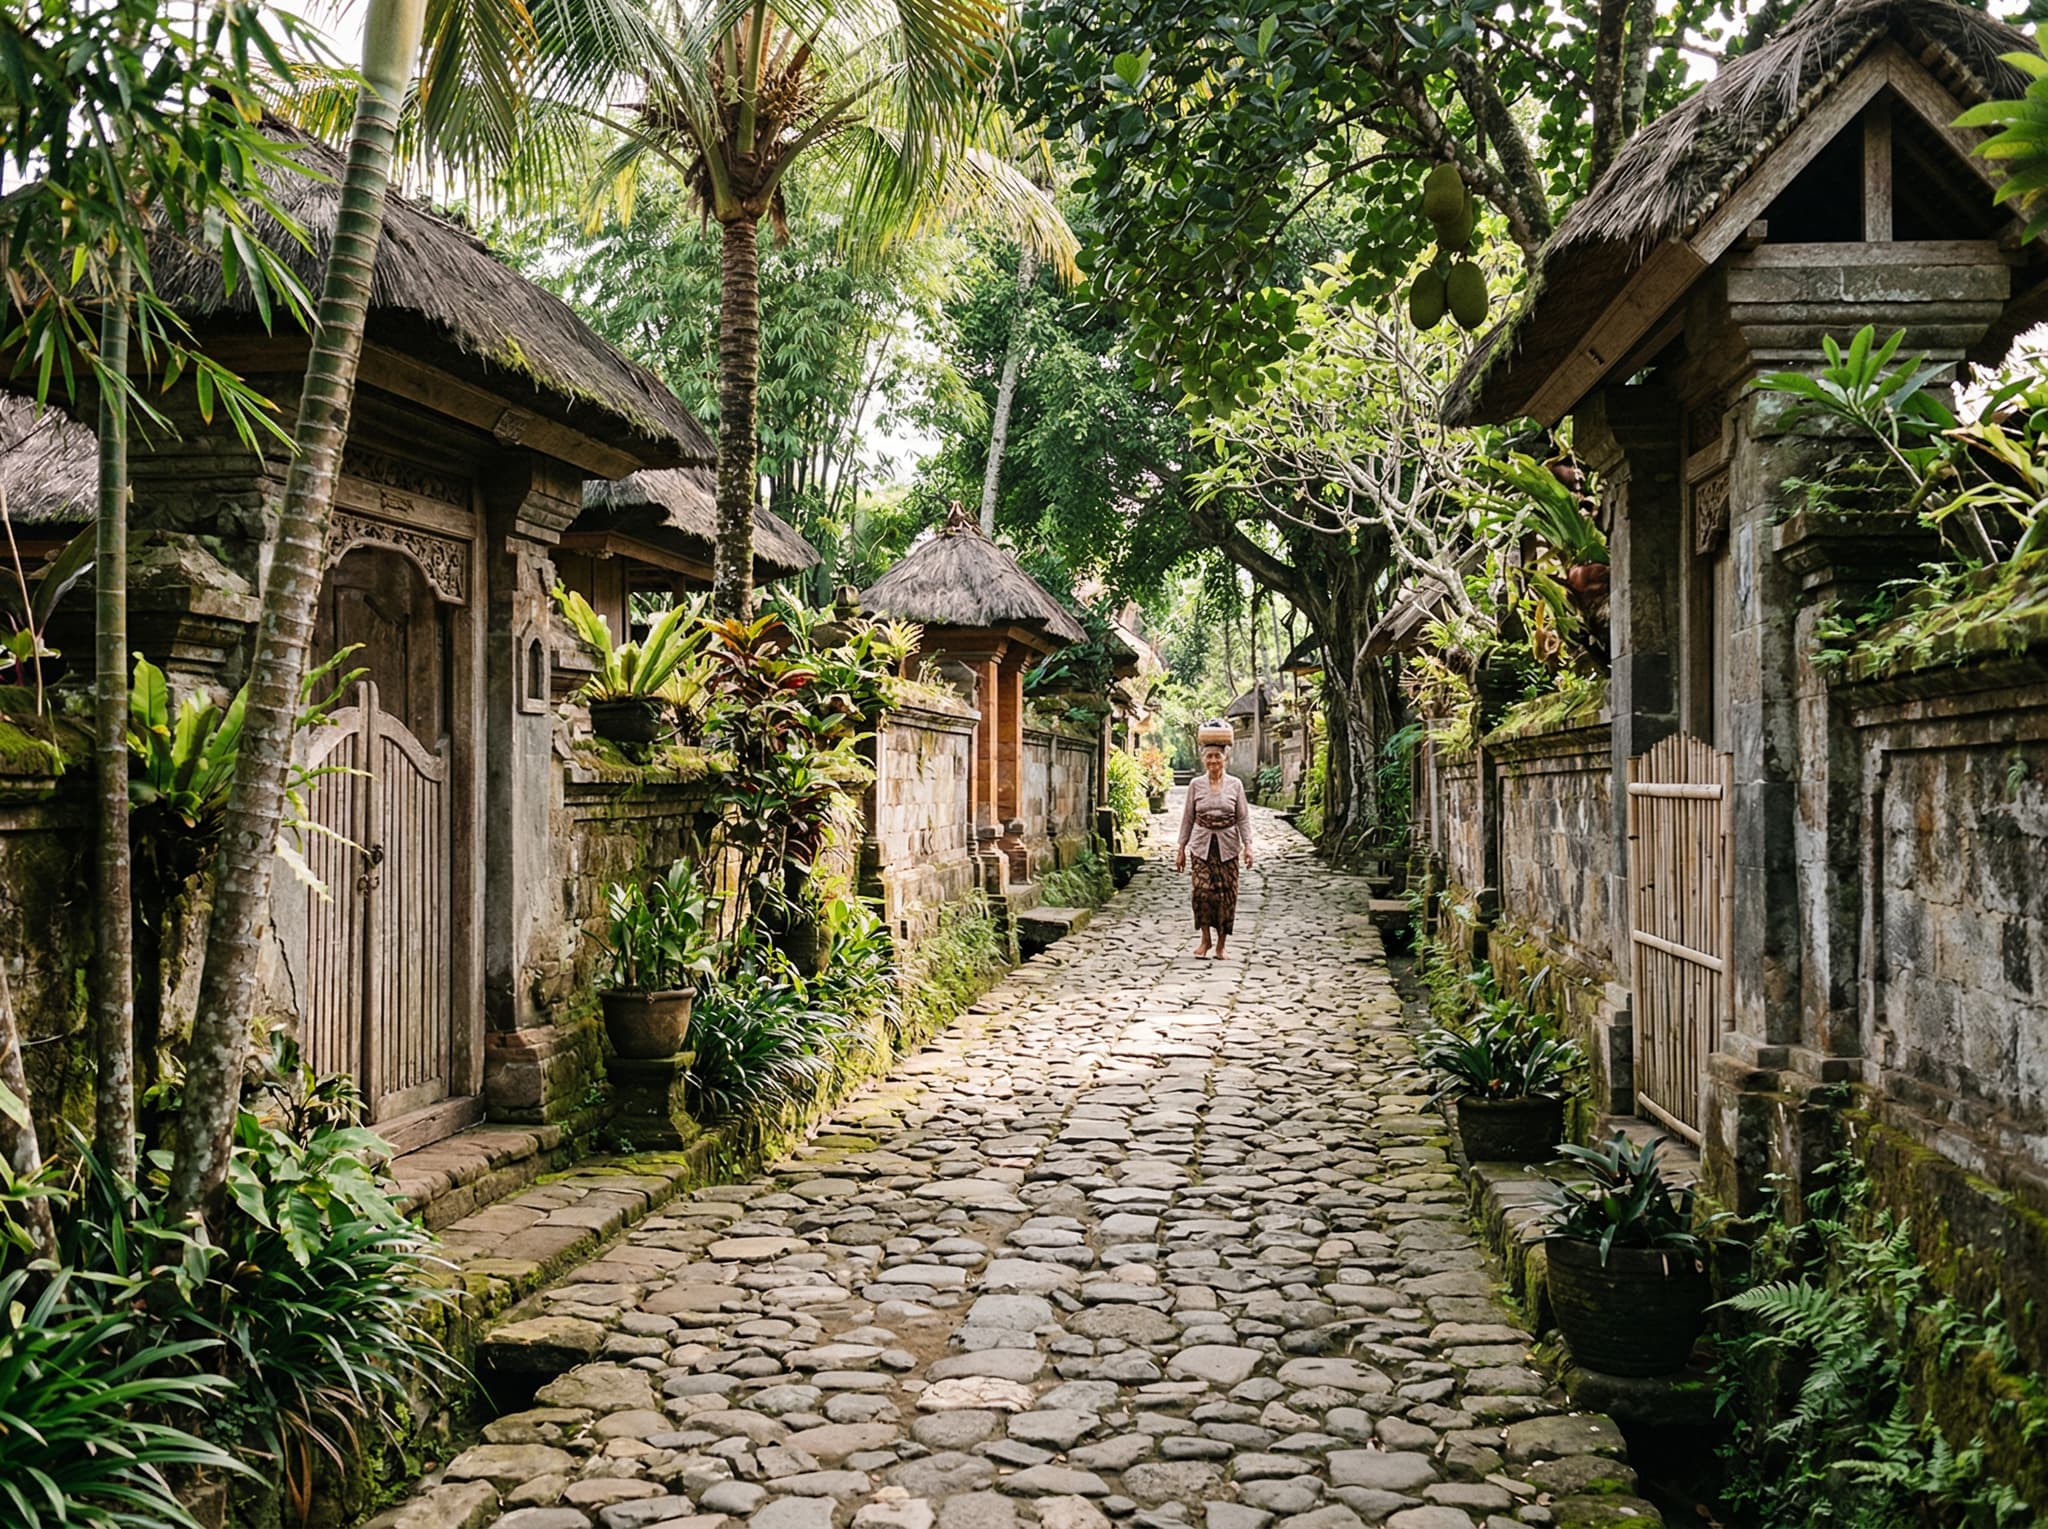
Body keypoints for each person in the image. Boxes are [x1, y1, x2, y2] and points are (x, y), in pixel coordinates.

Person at [1175, 725, 1253, 958]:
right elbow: (1188, 817)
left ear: (1225, 758)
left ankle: (1221, 945)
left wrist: (1248, 846)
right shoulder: (1195, 785)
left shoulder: (1235, 785)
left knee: (1226, 895)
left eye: (1217, 756)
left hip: (1228, 846)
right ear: (1203, 759)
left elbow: (1243, 817)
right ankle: (1205, 940)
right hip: (1200, 845)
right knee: (1202, 892)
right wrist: (1180, 848)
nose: (1213, 761)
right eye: (1209, 756)